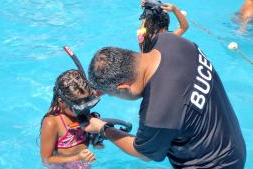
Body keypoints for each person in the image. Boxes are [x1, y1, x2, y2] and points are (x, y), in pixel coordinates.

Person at [84, 32, 246, 168]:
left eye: (113, 94)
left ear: (124, 87)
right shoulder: (171, 41)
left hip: (213, 164)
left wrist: (103, 129)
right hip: (233, 143)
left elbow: (142, 153)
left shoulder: (157, 113)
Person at [40, 69, 96, 169]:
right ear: (61, 101)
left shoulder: (81, 113)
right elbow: (46, 160)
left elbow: (83, 142)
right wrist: (77, 157)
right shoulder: (52, 122)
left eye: (87, 102)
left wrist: (94, 139)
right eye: (78, 106)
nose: (84, 108)